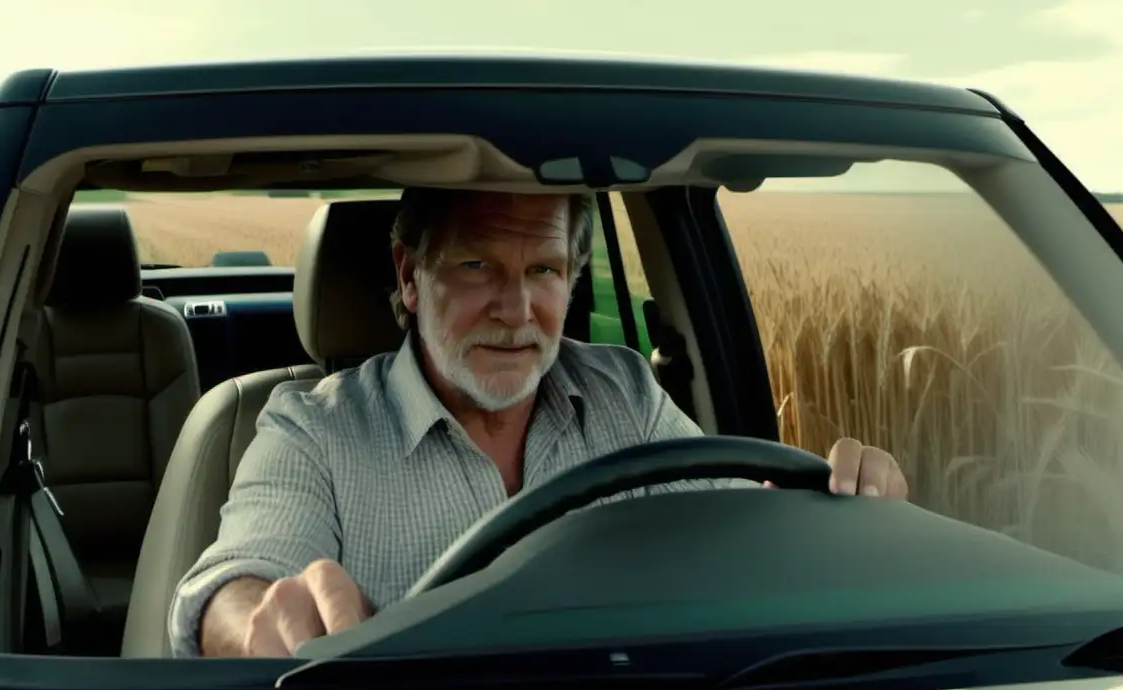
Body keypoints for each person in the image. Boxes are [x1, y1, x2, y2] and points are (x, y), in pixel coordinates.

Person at [167, 187, 908, 658]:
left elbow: (737, 531)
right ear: (407, 275)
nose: (517, 311)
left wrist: (837, 514)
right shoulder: (312, 429)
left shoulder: (625, 392)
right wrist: (269, 621)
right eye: (477, 268)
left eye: (544, 271)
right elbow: (232, 589)